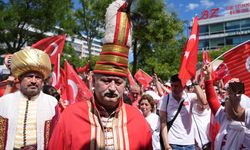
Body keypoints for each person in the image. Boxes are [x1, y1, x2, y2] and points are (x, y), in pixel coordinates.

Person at [48, 0, 152, 149]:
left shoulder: (138, 119)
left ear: (125, 85)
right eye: (106, 80)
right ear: (93, 80)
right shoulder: (70, 117)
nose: (112, 87)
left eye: (118, 82)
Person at [0, 47, 58, 150]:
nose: (34, 81)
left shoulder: (52, 103)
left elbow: (57, 135)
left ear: (43, 81)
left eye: (38, 77)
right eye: (29, 76)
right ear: (20, 79)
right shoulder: (5, 101)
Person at [203, 63, 250, 149]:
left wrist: (236, 87)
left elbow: (237, 100)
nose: (224, 109)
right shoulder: (225, 119)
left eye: (226, 105)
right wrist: (208, 77)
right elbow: (212, 100)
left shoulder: (247, 131)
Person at [159, 74, 206, 150]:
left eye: (176, 86)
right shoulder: (165, 99)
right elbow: (163, 122)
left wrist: (195, 83)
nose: (173, 88)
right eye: (172, 85)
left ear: (183, 86)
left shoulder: (190, 97)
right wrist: (166, 145)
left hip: (190, 144)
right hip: (173, 143)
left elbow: (204, 102)